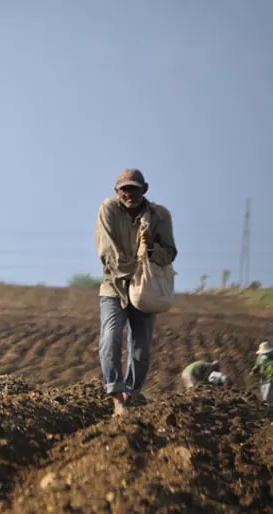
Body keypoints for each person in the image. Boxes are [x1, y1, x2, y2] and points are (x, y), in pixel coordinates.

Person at [96, 169, 177, 416]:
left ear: (145, 189)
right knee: (110, 338)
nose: (129, 193)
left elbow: (169, 253)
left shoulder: (159, 215)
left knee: (141, 349)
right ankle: (116, 394)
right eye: (124, 189)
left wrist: (151, 246)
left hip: (145, 289)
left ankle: (131, 394)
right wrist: (134, 268)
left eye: (134, 188)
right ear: (116, 191)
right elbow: (107, 252)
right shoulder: (109, 209)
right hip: (115, 286)